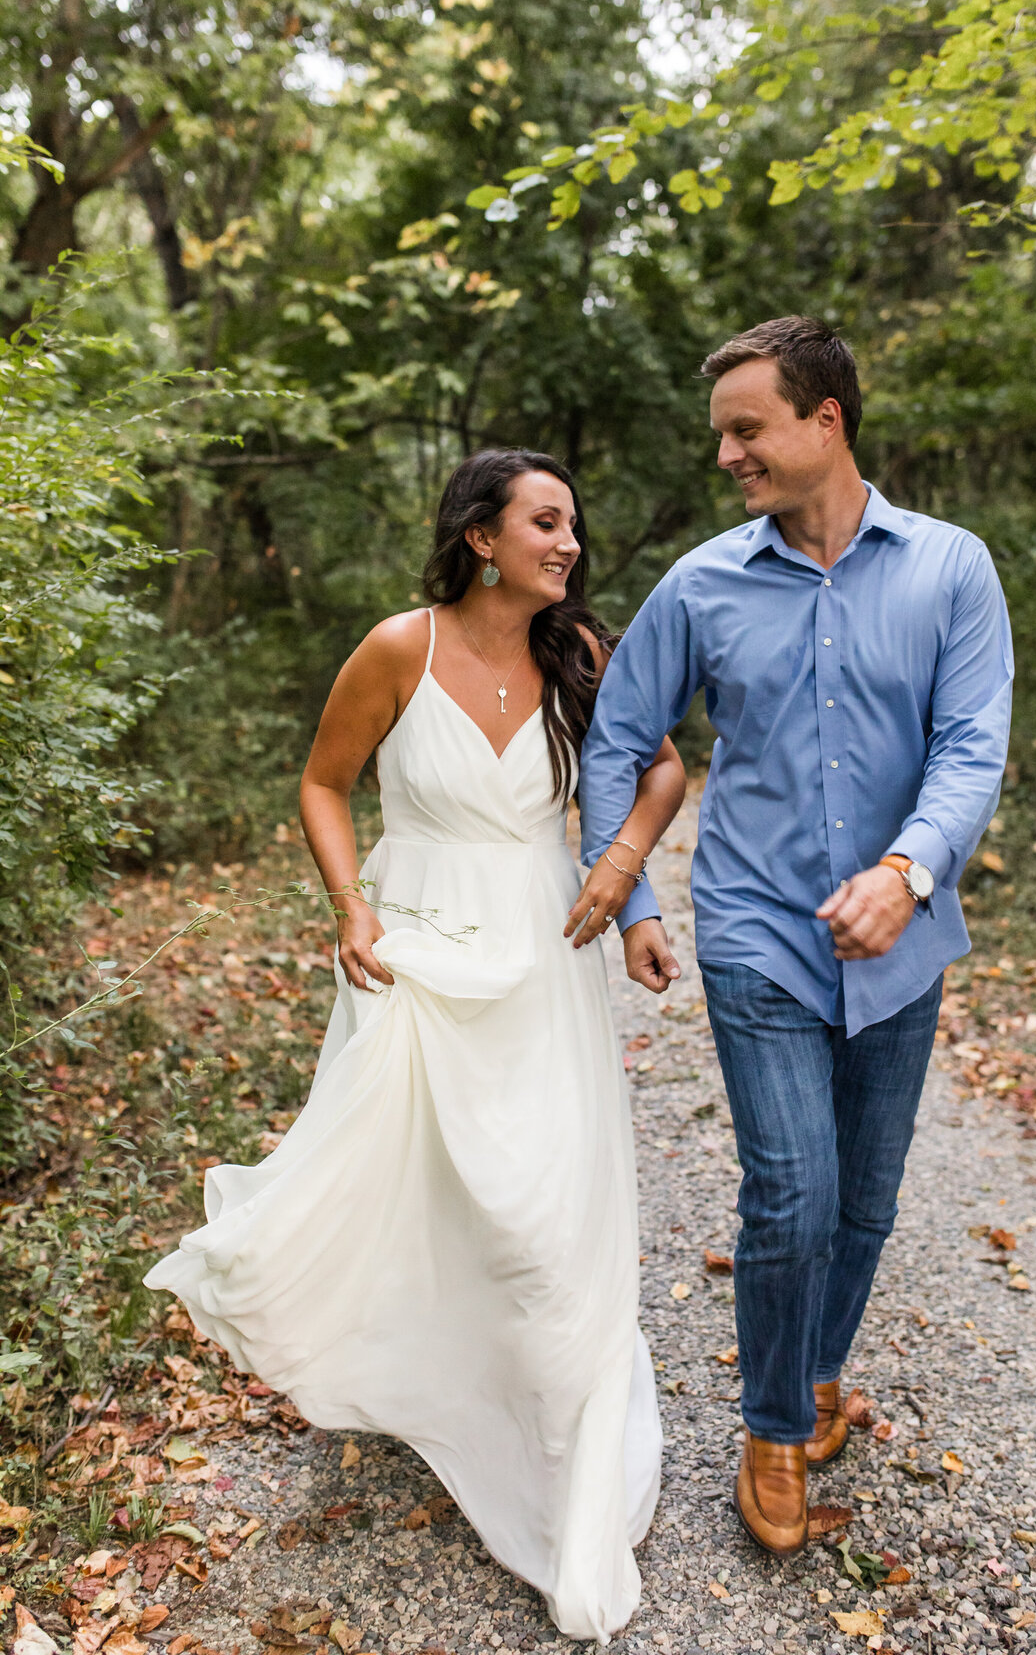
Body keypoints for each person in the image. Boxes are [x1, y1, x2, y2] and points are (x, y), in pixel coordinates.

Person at [145, 449, 687, 1643]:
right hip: (419, 956)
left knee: (548, 1205)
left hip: (545, 954)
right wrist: (352, 905)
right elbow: (324, 785)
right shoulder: (401, 647)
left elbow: (661, 770)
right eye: (548, 523)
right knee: (432, 1188)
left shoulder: (582, 656)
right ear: (482, 537)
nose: (571, 544)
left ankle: (560, 1432)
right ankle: (437, 1380)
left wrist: (617, 867)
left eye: (575, 526)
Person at [578, 316, 1013, 1555]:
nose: (728, 454)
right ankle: (772, 1427)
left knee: (865, 1202)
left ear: (825, 421)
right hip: (758, 932)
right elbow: (619, 739)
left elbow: (971, 744)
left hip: (904, 942)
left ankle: (820, 1370)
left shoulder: (950, 570)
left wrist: (909, 871)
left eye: (746, 428)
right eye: (723, 432)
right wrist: (640, 901)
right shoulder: (704, 583)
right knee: (794, 1191)